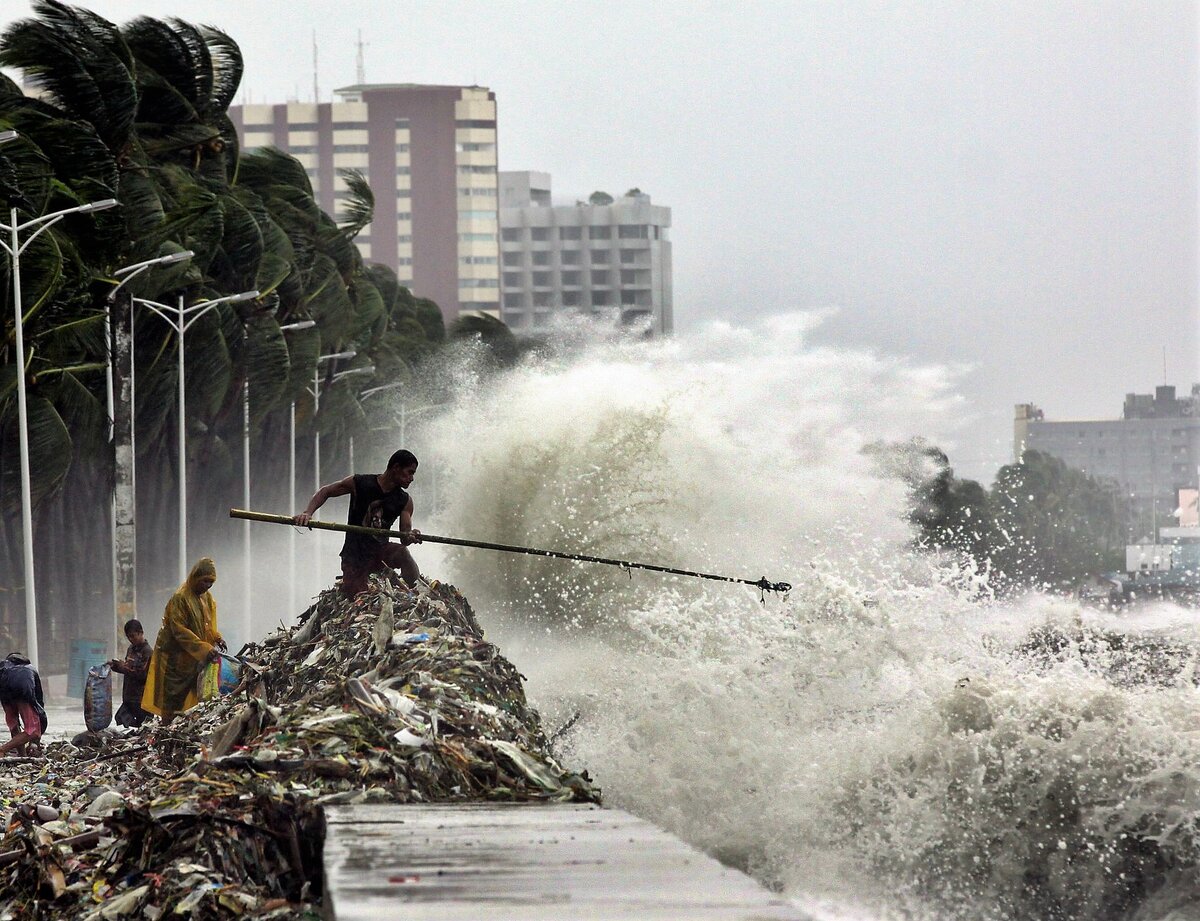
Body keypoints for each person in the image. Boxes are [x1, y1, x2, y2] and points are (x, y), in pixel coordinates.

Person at [294, 449, 423, 596]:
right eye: (410, 472)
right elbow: (326, 491)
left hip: (380, 553)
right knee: (360, 594)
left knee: (402, 553)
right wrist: (308, 513)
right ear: (396, 468)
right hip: (355, 557)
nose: (411, 478)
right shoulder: (360, 483)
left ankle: (415, 592)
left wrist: (412, 535)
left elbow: (404, 537)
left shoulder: (404, 500)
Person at [142, 557, 226, 723]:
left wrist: (217, 638)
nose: (208, 586)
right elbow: (179, 630)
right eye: (205, 581)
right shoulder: (181, 598)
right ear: (196, 577)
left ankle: (183, 726)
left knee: (194, 696)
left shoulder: (206, 598)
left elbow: (207, 624)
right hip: (174, 658)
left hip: (193, 658)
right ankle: (166, 729)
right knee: (171, 698)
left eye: (211, 582)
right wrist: (204, 649)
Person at [0, 652, 47, 757]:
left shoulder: (3, 667)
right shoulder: (30, 668)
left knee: (13, 725)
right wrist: (35, 740)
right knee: (33, 730)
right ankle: (2, 749)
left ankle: (22, 755)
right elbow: (39, 702)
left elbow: (14, 727)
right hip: (22, 690)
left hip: (4, 691)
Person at [110, 619, 152, 728]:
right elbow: (127, 669)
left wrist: (123, 667)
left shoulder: (147, 652)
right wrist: (115, 666)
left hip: (141, 699)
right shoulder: (131, 649)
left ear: (141, 633)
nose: (131, 639)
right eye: (128, 637)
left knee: (143, 726)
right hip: (129, 697)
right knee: (120, 718)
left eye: (133, 636)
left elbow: (142, 675)